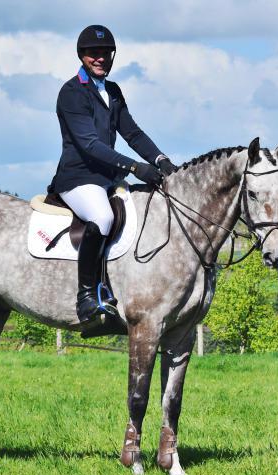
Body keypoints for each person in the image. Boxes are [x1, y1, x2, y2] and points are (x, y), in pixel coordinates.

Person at [48, 24, 178, 325]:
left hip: (107, 180)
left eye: (105, 53)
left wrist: (161, 160)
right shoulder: (71, 93)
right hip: (78, 178)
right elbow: (90, 145)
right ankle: (86, 297)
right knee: (103, 218)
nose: (100, 58)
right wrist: (136, 168)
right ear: (82, 56)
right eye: (94, 53)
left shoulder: (113, 91)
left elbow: (132, 132)